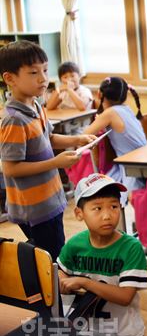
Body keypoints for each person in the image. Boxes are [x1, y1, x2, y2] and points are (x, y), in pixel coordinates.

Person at [0, 40, 95, 260]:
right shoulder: (14, 120)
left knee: (53, 252)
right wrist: (56, 163)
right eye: (33, 72)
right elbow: (11, 168)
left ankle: (55, 290)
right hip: (34, 209)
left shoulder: (35, 106)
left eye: (45, 69)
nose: (43, 78)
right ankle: (53, 293)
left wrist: (78, 139)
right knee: (50, 258)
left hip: (50, 199)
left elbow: (48, 138)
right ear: (10, 78)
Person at [57, 173, 147, 336]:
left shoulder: (131, 247)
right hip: (84, 330)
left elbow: (125, 297)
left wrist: (84, 282)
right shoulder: (75, 244)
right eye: (97, 208)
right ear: (79, 214)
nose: (107, 215)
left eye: (114, 206)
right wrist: (62, 283)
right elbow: (60, 273)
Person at [83, 76, 147, 194]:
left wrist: (99, 120)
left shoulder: (109, 114)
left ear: (99, 94)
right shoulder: (126, 109)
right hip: (143, 161)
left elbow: (84, 135)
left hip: (131, 171)